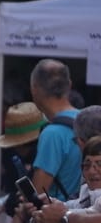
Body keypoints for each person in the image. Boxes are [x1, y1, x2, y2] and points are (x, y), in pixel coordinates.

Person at [28, 60, 82, 200]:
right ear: (69, 85)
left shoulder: (52, 134)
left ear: (34, 89)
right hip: (87, 214)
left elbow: (39, 193)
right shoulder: (87, 121)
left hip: (59, 218)